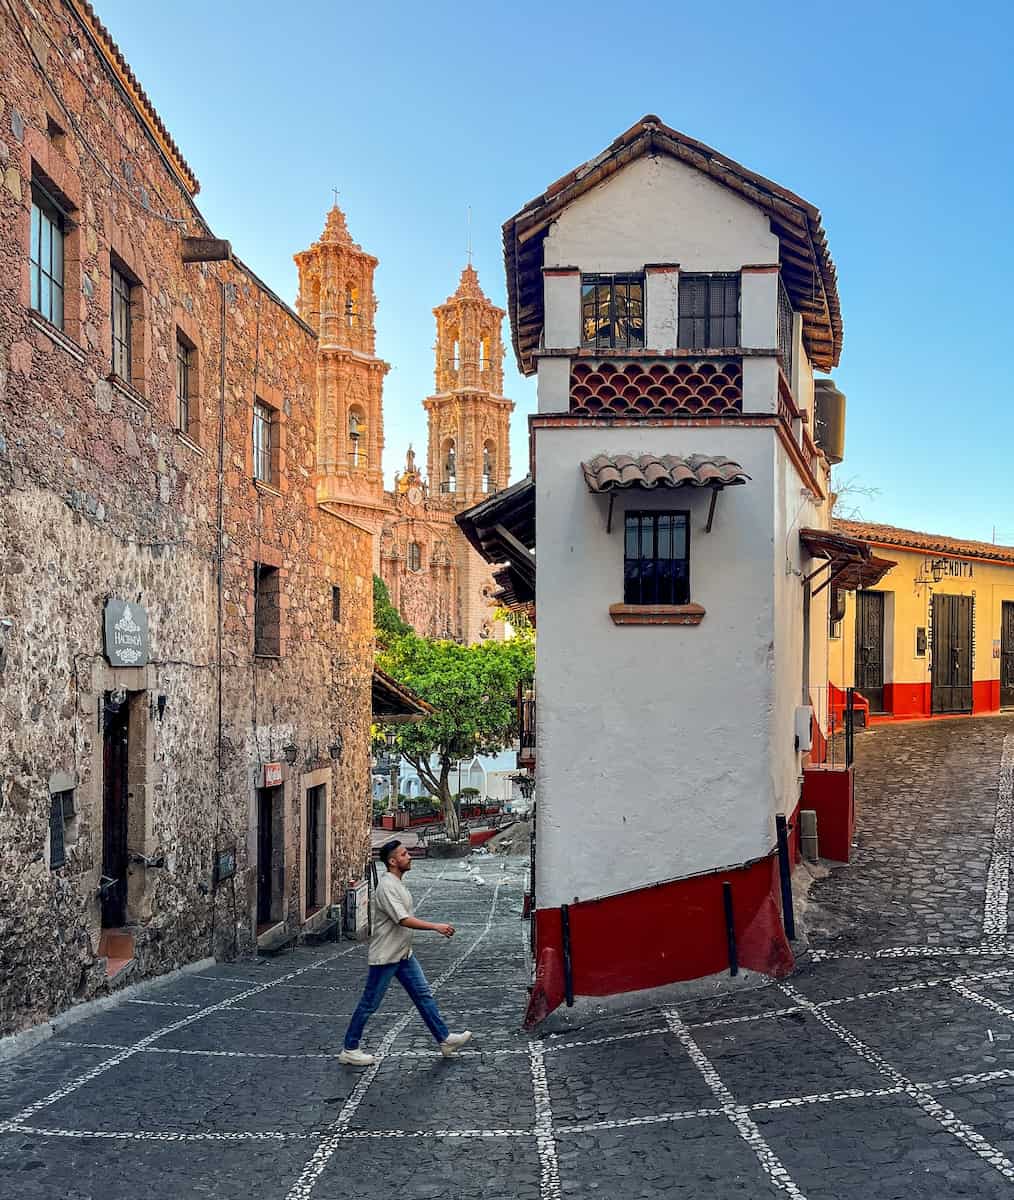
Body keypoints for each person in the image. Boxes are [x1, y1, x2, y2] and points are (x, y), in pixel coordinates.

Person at [338, 840, 472, 1066]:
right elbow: (403, 919)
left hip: (403, 954)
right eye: (403, 854)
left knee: (423, 996)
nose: (408, 856)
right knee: (370, 1003)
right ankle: (350, 1048)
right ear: (392, 861)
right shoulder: (387, 886)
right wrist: (435, 927)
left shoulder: (397, 883)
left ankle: (445, 1039)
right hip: (387, 956)